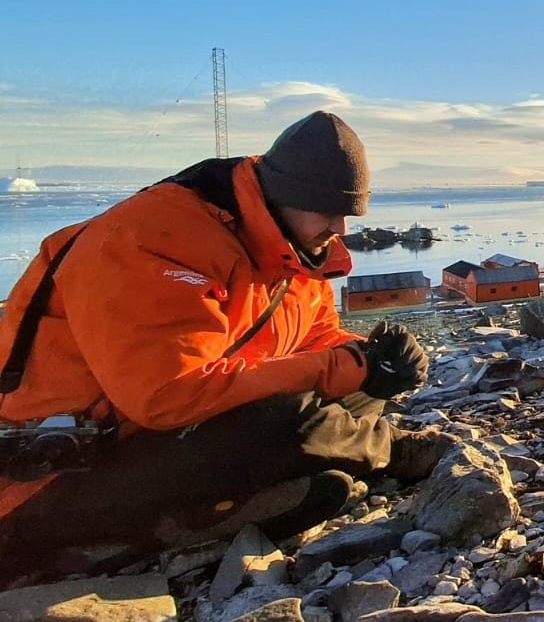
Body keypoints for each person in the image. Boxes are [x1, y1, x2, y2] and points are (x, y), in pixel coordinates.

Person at [0, 111, 433, 575]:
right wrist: (340, 367)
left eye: (348, 213)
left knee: (350, 389)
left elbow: (314, 338)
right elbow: (168, 394)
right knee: (285, 421)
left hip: (167, 437)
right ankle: (388, 451)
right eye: (327, 209)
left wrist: (373, 358)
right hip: (53, 474)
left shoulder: (287, 249)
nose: (341, 228)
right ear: (283, 195)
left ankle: (305, 466)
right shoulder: (151, 239)